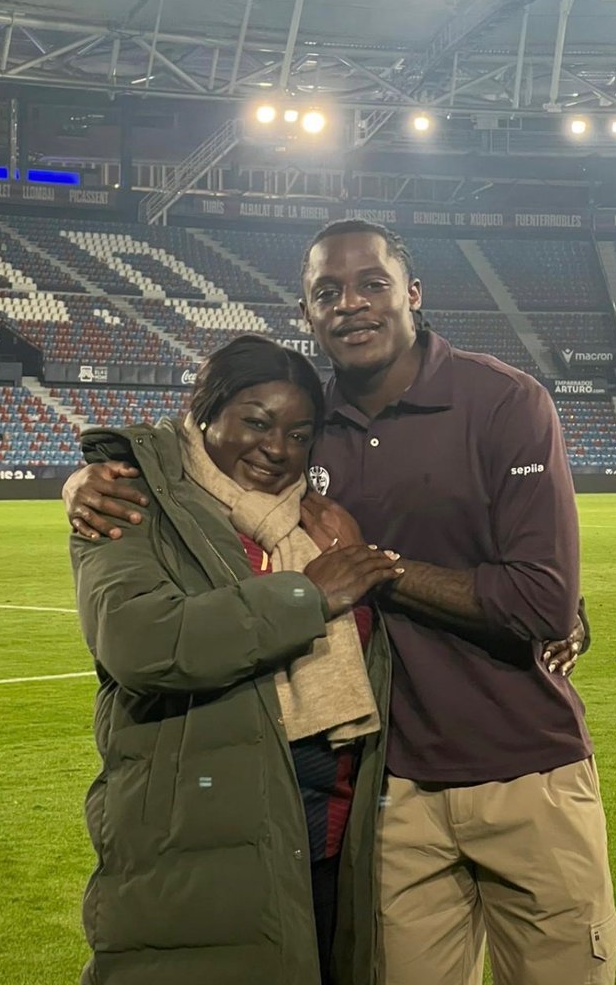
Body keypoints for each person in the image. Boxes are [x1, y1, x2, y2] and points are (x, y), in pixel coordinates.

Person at [65, 221, 613, 985]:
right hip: (392, 793)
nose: (351, 303)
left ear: (412, 293)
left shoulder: (503, 401)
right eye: (329, 291)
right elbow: (195, 459)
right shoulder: (309, 426)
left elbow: (539, 601)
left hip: (525, 768)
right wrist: (93, 478)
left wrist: (382, 570)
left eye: (372, 284)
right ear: (307, 312)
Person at [71, 334, 402, 985]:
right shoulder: (131, 503)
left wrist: (558, 619)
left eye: (299, 434)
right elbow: (143, 642)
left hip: (329, 842)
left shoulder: (319, 524)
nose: (277, 448)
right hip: (202, 845)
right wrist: (310, 595)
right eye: (256, 421)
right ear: (204, 411)